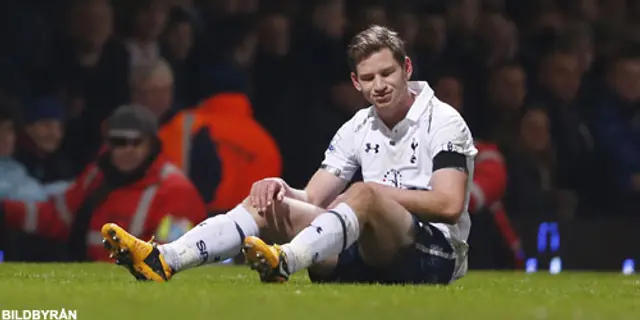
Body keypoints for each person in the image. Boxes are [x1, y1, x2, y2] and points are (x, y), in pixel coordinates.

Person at [101, 25, 477, 284]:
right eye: (368, 78)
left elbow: (449, 204)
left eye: (386, 73)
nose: (378, 86)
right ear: (355, 82)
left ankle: (286, 261)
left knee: (364, 192)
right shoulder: (359, 126)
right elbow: (314, 197)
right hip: (368, 252)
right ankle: (165, 259)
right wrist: (282, 188)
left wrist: (372, 196)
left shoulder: (442, 119)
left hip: (434, 256)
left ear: (406, 68)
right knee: (267, 201)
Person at [0, 104, 207, 262]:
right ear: (108, 144)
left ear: (152, 145)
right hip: (88, 283)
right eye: (119, 142)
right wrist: (6, 210)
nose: (128, 149)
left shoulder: (175, 191)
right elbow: (59, 218)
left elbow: (172, 259)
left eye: (136, 142)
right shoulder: (97, 176)